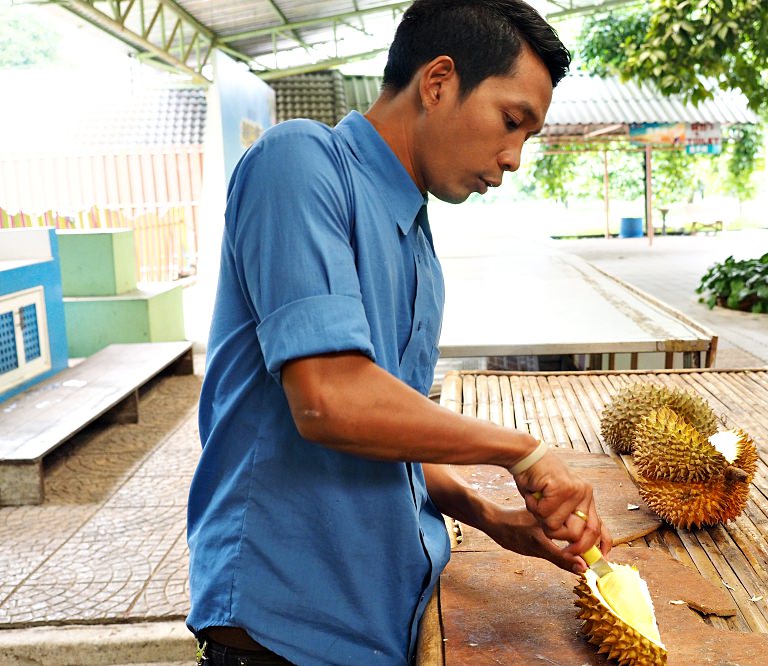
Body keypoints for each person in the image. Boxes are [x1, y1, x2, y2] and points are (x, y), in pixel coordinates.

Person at [186, 2, 612, 664]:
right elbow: (330, 400)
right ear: (438, 82)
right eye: (511, 121)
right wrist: (521, 451)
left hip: (384, 622)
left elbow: (389, 432)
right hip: (287, 635)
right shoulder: (300, 164)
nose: (515, 159)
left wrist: (493, 519)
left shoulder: (417, 244)